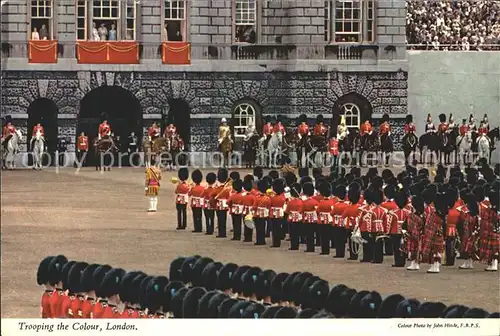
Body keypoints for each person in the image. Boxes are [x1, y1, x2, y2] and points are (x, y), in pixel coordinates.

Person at [385, 190, 411, 268]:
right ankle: (402, 261)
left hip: (395, 231)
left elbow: (390, 223)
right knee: (404, 246)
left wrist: (388, 232)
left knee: (396, 247)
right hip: (405, 231)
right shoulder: (408, 212)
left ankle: (397, 261)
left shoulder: (393, 212)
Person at [405, 194, 425, 271]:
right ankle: (417, 263)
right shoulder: (424, 215)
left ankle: (414, 264)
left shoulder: (412, 216)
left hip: (413, 235)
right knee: (418, 249)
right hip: (421, 234)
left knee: (413, 249)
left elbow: (409, 226)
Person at [316, 183, 334, 255]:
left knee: (323, 237)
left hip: (322, 220)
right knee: (330, 235)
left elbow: (317, 211)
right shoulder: (332, 201)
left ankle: (325, 250)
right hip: (330, 220)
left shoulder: (321, 202)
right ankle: (330, 247)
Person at [213, 168, 231, 238]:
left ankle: (221, 233)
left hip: (219, 203)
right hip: (225, 204)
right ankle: (223, 232)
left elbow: (213, 194)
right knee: (224, 218)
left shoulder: (217, 187)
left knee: (220, 218)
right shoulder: (228, 187)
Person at [269, 179, 287, 248]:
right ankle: (279, 239)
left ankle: (276, 243)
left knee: (275, 228)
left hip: (274, 213)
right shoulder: (284, 196)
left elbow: (269, 204)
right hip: (282, 212)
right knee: (280, 227)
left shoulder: (272, 196)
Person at [302, 182, 319, 253]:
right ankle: (312, 247)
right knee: (312, 234)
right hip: (314, 219)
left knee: (308, 234)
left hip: (307, 219)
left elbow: (301, 210)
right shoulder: (315, 201)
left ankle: (309, 248)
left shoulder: (304, 202)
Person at [253, 179, 271, 246]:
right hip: (265, 213)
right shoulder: (268, 197)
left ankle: (259, 240)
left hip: (258, 213)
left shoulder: (257, 197)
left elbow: (254, 206)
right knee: (263, 227)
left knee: (258, 228)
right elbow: (269, 206)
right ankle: (263, 240)